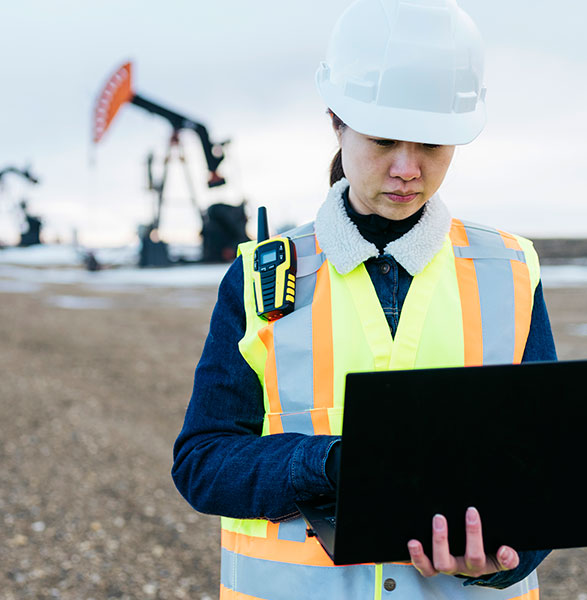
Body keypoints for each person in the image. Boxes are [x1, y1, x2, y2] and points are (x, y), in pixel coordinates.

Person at [172, 0, 556, 597]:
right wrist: (322, 465)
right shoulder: (258, 278)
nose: (407, 169)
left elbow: (547, 472)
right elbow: (203, 462)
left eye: (431, 144)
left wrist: (506, 560)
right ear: (337, 122)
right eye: (383, 141)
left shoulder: (509, 273)